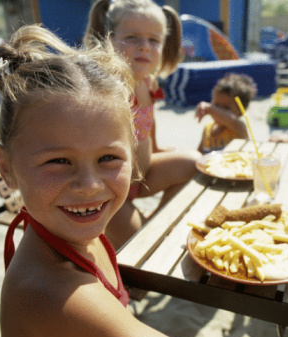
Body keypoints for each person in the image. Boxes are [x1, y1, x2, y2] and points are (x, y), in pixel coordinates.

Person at [0, 24, 193, 337]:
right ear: (6, 168)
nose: (90, 186)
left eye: (109, 157)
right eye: (58, 161)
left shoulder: (71, 229)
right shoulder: (52, 294)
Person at [85, 0, 201, 249]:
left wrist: (157, 150)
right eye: (132, 37)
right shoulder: (107, 88)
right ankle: (141, 234)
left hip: (142, 175)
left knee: (195, 162)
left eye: (154, 40)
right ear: (110, 39)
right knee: (139, 245)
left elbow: (148, 124)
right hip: (110, 190)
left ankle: (154, 221)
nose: (144, 47)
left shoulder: (147, 82)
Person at [196, 73, 257, 154]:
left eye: (226, 108)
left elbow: (230, 119)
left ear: (241, 112)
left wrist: (210, 108)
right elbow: (199, 154)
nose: (217, 110)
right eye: (216, 105)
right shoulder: (207, 129)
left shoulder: (239, 128)